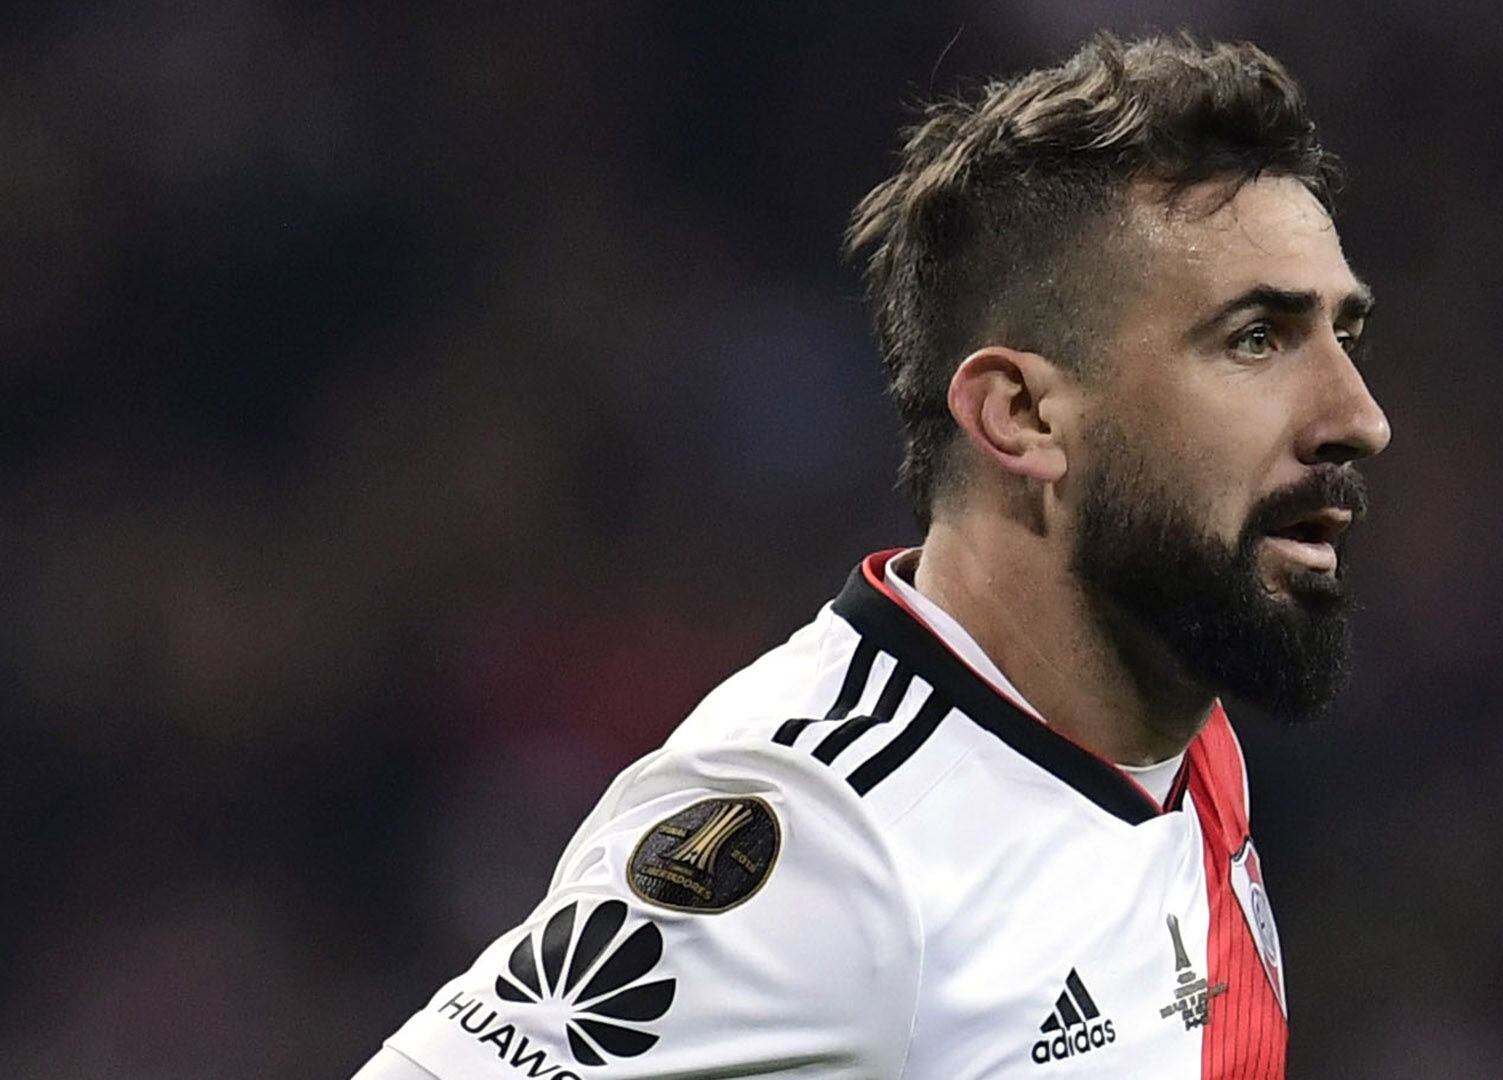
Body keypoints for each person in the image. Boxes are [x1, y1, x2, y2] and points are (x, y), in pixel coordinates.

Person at [354, 31, 1389, 1079]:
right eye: (1255, 339)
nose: (1359, 417)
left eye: (1345, 335)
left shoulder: (1174, 726)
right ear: (1022, 414)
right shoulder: (826, 836)